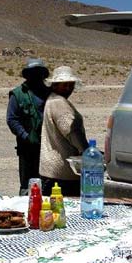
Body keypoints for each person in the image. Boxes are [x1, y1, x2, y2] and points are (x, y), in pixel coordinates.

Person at [39, 66, 89, 196]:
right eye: (64, 85)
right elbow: (71, 131)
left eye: (70, 85)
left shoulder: (52, 99)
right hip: (63, 172)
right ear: (55, 85)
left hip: (51, 169)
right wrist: (86, 151)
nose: (68, 88)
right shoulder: (59, 103)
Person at [7, 58, 51, 195]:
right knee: (28, 185)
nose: (37, 76)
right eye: (33, 73)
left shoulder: (50, 93)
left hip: (48, 147)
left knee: (48, 184)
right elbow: (12, 119)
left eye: (39, 72)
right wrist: (26, 136)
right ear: (27, 75)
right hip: (27, 149)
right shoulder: (18, 94)